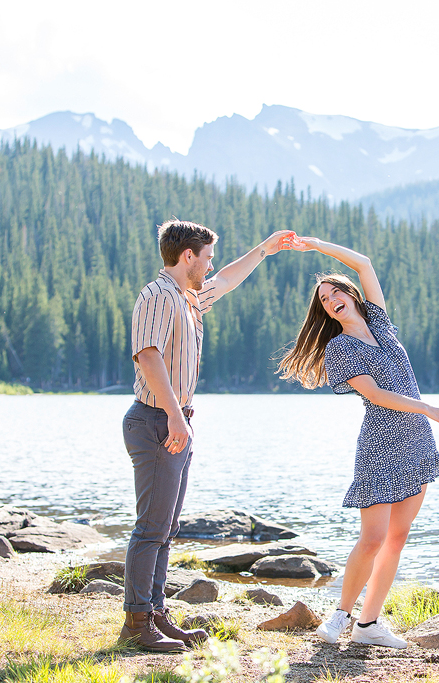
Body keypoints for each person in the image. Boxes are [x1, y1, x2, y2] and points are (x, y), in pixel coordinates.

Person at [120, 219, 295, 652]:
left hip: (173, 420)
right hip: (157, 421)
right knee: (151, 529)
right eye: (207, 258)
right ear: (188, 257)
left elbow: (227, 280)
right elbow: (148, 356)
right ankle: (137, 624)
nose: (211, 266)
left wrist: (265, 249)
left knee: (166, 527)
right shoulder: (158, 295)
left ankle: (156, 615)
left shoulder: (188, 297)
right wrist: (176, 417)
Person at [278, 237, 439, 649]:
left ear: (351, 294)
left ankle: (369, 625)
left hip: (416, 442)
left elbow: (364, 262)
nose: (331, 300)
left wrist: (315, 245)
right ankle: (341, 615)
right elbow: (376, 394)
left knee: (398, 536)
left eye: (335, 291)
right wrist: (428, 407)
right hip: (380, 447)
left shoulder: (381, 325)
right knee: (373, 538)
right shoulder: (340, 347)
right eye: (324, 300)